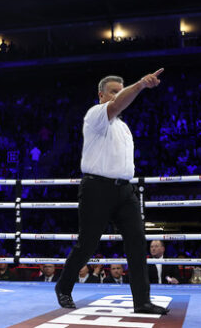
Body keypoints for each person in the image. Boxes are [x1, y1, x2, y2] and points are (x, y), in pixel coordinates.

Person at [55, 70, 169, 315]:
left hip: (125, 190)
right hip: (97, 188)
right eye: (113, 91)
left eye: (121, 90)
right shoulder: (95, 114)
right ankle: (64, 286)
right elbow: (117, 105)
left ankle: (142, 301)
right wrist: (140, 84)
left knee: (138, 242)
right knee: (87, 244)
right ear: (101, 95)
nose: (118, 96)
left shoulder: (124, 128)